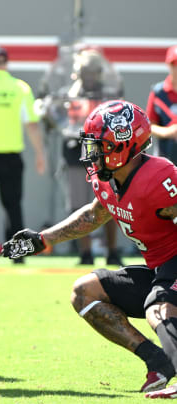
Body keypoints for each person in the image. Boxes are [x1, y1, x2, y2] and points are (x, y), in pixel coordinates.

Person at [2, 100, 177, 396]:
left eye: (99, 146)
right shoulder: (108, 181)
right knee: (85, 291)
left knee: (158, 308)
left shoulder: (160, 176)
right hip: (158, 269)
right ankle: (158, 362)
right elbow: (95, 214)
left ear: (123, 145)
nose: (92, 154)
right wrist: (42, 239)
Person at [37, 47, 124, 265]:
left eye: (92, 71)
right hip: (76, 150)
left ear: (99, 71)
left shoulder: (109, 95)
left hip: (104, 152)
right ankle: (85, 254)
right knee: (78, 202)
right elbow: (59, 120)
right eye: (84, 71)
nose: (88, 75)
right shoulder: (70, 94)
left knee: (110, 201)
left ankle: (111, 251)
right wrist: (46, 111)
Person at [0, 45, 46, 263]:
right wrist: (40, 153)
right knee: (13, 206)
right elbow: (32, 124)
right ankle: (17, 255)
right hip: (11, 156)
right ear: (6, 64)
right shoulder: (20, 88)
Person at [146, 45, 177, 163]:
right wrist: (167, 132)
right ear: (168, 66)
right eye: (174, 64)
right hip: (165, 156)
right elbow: (149, 125)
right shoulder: (158, 92)